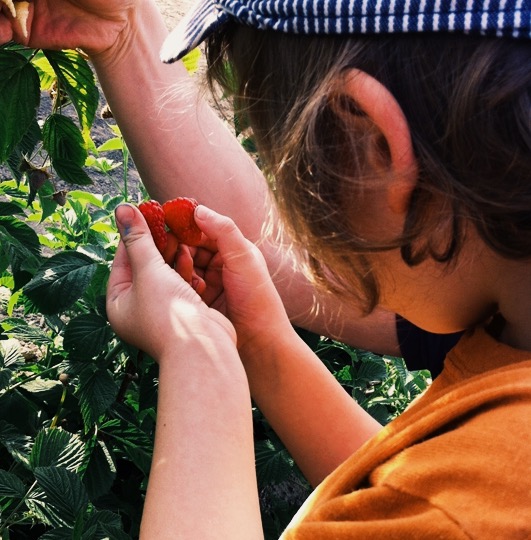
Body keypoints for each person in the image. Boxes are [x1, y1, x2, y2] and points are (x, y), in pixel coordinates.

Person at [2, 1, 530, 538]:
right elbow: (412, 493)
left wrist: (199, 357)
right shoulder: (509, 319)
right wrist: (261, 344)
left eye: (286, 162)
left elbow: (425, 514)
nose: (296, 220)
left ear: (375, 139)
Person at [0, 0, 462, 380]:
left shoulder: (493, 451)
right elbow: (281, 260)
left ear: (382, 141)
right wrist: (124, 34)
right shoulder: (492, 309)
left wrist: (192, 351)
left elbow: (383, 490)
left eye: (302, 168)